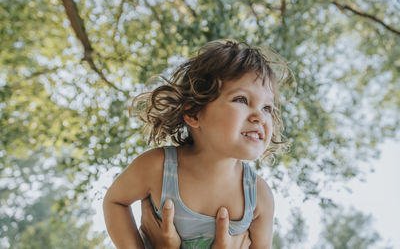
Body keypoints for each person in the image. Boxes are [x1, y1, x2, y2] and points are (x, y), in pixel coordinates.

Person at [103, 39, 291, 249]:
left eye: (267, 108)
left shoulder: (259, 196)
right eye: (241, 100)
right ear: (194, 113)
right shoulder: (158, 167)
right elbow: (115, 202)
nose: (260, 117)